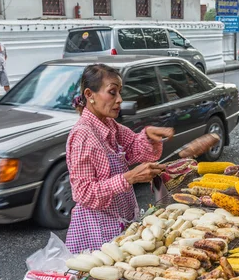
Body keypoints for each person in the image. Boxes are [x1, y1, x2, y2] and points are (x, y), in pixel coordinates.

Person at [65, 64, 174, 253]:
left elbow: (134, 148)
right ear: (90, 94)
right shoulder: (83, 135)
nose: (120, 100)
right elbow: (84, 194)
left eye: (120, 93)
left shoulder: (110, 125)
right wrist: (129, 178)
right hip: (97, 232)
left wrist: (148, 134)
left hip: (121, 222)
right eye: (112, 93)